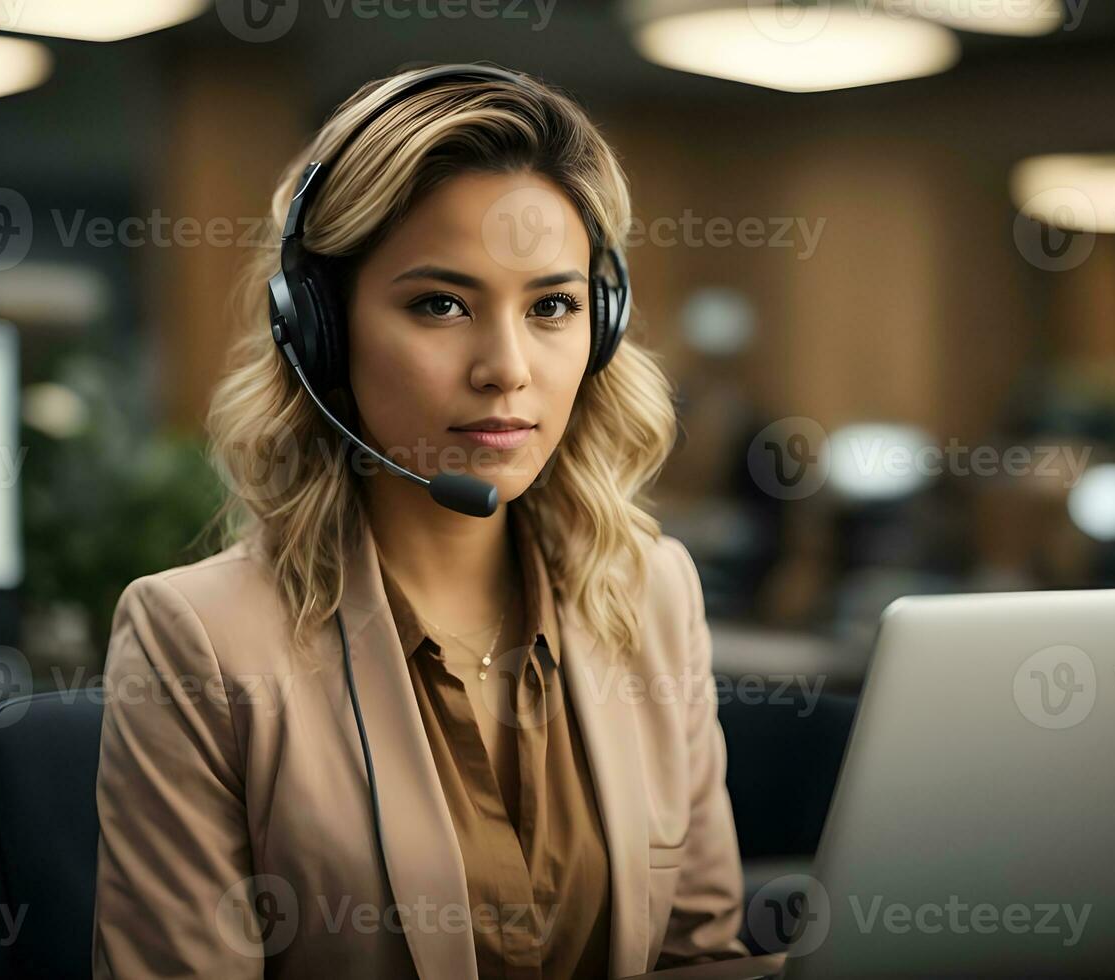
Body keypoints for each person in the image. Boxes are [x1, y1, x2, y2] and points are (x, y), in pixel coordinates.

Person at [92, 62, 751, 978]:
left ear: (599, 329)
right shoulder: (196, 641)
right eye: (441, 304)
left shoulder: (651, 590)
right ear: (319, 332)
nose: (507, 368)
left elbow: (700, 956)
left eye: (552, 305)